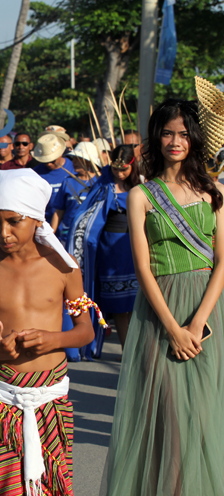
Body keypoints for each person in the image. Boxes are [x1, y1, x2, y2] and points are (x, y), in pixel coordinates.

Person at [102, 96, 224, 494]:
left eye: (184, 134)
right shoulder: (142, 195)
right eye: (168, 133)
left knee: (207, 413)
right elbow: (143, 268)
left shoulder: (215, 192)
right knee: (170, 416)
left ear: (196, 139)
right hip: (161, 312)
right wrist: (174, 328)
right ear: (157, 137)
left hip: (209, 310)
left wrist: (198, 321)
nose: (176, 141)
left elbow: (223, 260)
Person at [0, 168, 94, 496]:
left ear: (36, 220)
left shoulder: (65, 267)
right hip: (0, 397)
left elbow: (85, 330)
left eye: (14, 221)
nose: (3, 231)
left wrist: (54, 339)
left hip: (50, 399)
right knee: (2, 489)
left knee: (53, 486)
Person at [67, 145, 141, 357]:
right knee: (119, 306)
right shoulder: (103, 186)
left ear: (132, 166)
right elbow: (87, 216)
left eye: (124, 169)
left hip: (134, 247)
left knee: (135, 306)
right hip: (110, 249)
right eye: (116, 169)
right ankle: (128, 354)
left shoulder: (142, 186)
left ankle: (137, 352)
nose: (119, 173)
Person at [51, 141, 101, 244]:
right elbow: (59, 212)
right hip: (68, 236)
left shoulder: (100, 182)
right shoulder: (68, 181)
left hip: (93, 236)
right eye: (73, 159)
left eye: (78, 159)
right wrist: (51, 235)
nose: (74, 162)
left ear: (89, 161)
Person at [32, 133, 76, 223]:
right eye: (45, 161)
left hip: (68, 226)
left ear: (60, 154)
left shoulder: (74, 169)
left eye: (52, 160)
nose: (48, 164)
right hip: (43, 225)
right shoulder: (35, 174)